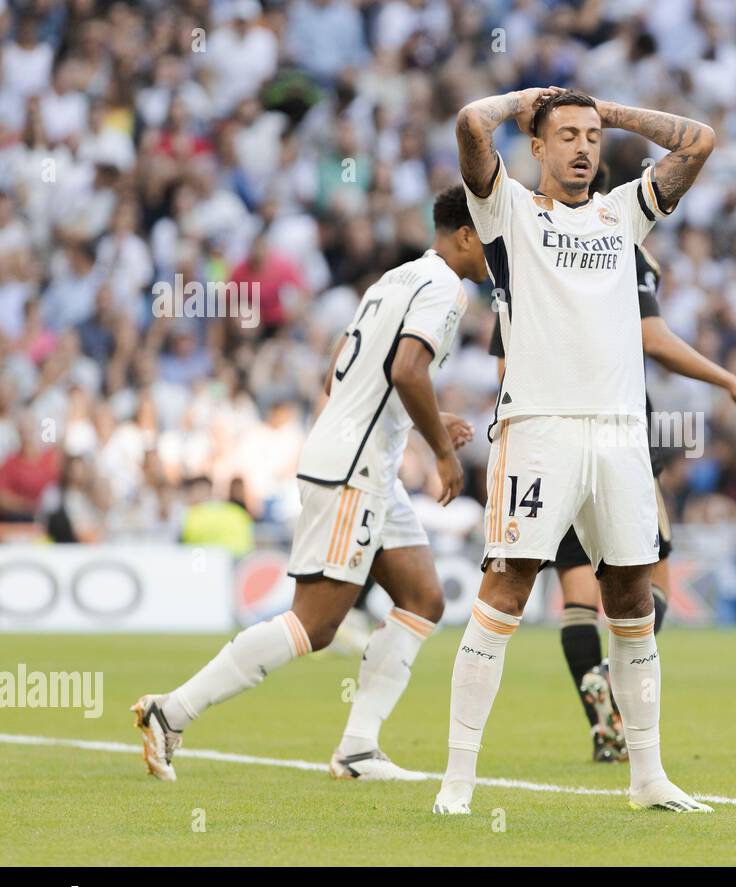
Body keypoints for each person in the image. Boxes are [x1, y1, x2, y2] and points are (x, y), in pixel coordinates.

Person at [131, 187, 485, 782]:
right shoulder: (446, 287)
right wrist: (442, 451)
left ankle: (358, 749)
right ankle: (172, 711)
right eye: (492, 236)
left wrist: (411, 417)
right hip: (356, 466)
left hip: (363, 457)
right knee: (315, 624)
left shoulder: (392, 280)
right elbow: (405, 368)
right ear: (467, 235)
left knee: (424, 598)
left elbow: (339, 373)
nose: (498, 250)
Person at [434, 87, 715, 814]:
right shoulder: (509, 212)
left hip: (621, 435)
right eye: (567, 135)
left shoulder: (624, 212)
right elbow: (470, 124)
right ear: (537, 145)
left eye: (593, 137)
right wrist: (527, 100)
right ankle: (458, 779)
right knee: (506, 590)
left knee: (630, 598)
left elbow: (699, 141)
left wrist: (613, 114)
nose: (584, 147)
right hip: (540, 428)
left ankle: (647, 774)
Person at [487, 165, 736, 761]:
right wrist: (732, 381)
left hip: (540, 431)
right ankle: (615, 699)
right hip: (612, 431)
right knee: (649, 576)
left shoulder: (524, 247)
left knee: (572, 594)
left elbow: (503, 359)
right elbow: (654, 338)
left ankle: (602, 725)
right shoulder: (618, 243)